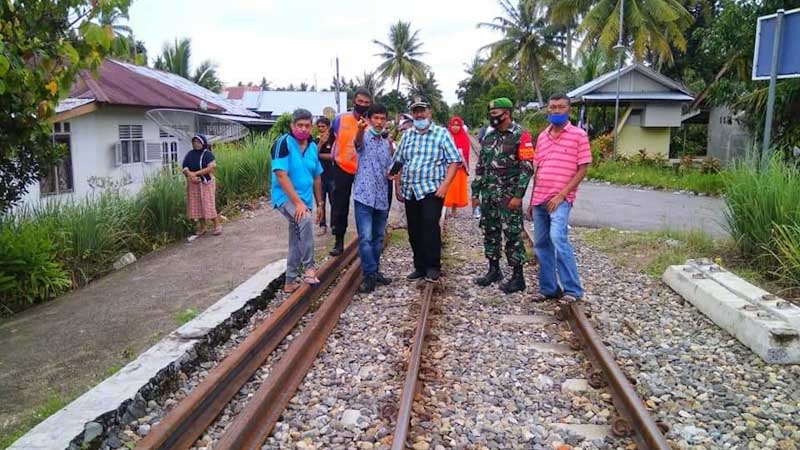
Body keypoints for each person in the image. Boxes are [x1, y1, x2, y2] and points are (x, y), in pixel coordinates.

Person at [526, 93, 592, 303]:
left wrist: (562, 195)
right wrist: (532, 200)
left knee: (558, 239)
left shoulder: (578, 135)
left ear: (568, 109)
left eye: (560, 107)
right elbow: (538, 169)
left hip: (561, 199)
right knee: (541, 244)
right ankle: (548, 288)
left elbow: (583, 169)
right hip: (540, 199)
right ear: (548, 109)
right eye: (552, 107)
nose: (556, 111)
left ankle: (573, 290)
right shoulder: (543, 136)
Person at [393, 96, 462, 282]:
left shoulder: (441, 134)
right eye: (415, 111)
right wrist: (397, 186)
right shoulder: (407, 135)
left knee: (430, 225)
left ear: (429, 112)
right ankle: (419, 266)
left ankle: (433, 266)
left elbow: (455, 160)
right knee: (414, 229)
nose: (419, 114)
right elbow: (398, 162)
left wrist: (445, 185)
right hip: (410, 190)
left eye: (422, 110)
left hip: (432, 189)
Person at [472, 98, 535, 294]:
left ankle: (518, 277)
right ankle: (494, 270)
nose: (492, 118)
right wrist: (475, 193)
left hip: (509, 197)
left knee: (512, 235)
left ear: (506, 114)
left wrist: (518, 196)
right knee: (490, 232)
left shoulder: (521, 136)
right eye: (491, 114)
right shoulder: (489, 137)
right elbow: (480, 167)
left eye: (496, 115)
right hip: (489, 196)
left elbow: (527, 168)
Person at [271, 109, 325, 293]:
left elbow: (317, 177)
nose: (303, 129)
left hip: (306, 200)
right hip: (285, 197)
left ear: (311, 127)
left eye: (307, 125)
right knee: (304, 220)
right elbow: (281, 174)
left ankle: (290, 281)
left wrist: (320, 204)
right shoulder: (283, 143)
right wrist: (298, 203)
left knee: (296, 236)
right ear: (292, 126)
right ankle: (310, 268)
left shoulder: (312, 147)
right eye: (299, 125)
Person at [353, 104, 394, 293]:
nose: (379, 122)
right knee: (365, 238)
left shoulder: (386, 143)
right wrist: (360, 131)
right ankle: (369, 275)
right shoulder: (364, 136)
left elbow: (388, 166)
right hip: (364, 196)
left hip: (381, 196)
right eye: (375, 118)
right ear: (369, 120)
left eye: (382, 119)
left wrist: (391, 174)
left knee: (378, 237)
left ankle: (374, 270)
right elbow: (357, 143)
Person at [329, 88, 372, 256]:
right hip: (342, 167)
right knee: (340, 205)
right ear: (354, 101)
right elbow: (332, 140)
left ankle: (366, 240)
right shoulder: (340, 119)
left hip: (364, 169)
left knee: (365, 205)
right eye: (360, 101)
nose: (362, 105)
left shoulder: (372, 122)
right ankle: (338, 241)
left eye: (366, 103)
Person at [182, 134, 222, 240]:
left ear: (203, 143)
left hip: (206, 183)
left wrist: (196, 173)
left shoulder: (207, 154)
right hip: (194, 183)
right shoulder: (190, 154)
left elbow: (212, 167)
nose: (196, 144)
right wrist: (190, 174)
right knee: (197, 205)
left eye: (198, 142)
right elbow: (185, 167)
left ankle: (217, 225)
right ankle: (203, 227)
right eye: (194, 142)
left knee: (208, 203)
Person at [443, 116, 471, 218]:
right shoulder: (446, 136)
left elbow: (466, 153)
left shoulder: (464, 137)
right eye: (453, 125)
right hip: (447, 167)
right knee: (447, 188)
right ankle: (442, 208)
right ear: (449, 126)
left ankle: (454, 211)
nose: (455, 127)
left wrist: (460, 160)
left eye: (457, 125)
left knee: (456, 189)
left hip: (459, 168)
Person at [315, 116, 335, 236]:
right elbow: (313, 155)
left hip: (332, 175)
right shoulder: (316, 141)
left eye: (323, 126)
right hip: (320, 176)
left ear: (328, 127)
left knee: (334, 202)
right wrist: (321, 144)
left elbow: (334, 156)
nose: (321, 129)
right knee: (320, 202)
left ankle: (334, 225)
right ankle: (322, 225)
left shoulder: (333, 139)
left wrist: (320, 156)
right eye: (319, 126)